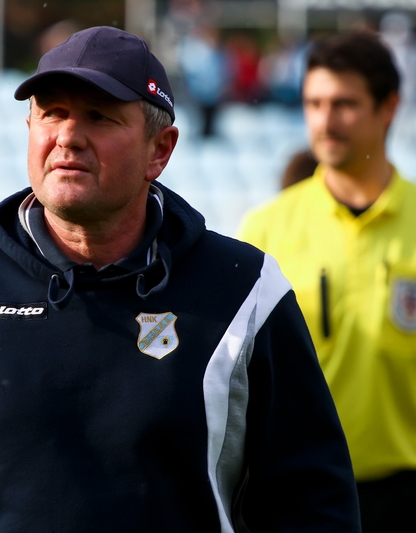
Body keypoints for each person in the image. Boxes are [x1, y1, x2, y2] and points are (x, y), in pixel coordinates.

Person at [0, 26, 360, 532]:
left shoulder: (246, 290)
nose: (67, 136)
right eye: (51, 113)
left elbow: (312, 505)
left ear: (160, 149)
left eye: (99, 117)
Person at [238, 30, 416, 532]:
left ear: (389, 107)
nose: (324, 120)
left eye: (344, 104)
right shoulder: (266, 230)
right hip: (297, 495)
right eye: (314, 103)